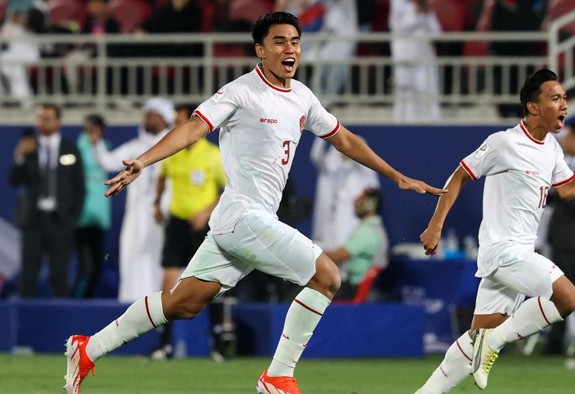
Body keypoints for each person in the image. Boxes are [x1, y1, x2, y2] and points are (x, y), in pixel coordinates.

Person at [64, 12, 444, 394]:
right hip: (242, 215)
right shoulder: (240, 92)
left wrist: (395, 175)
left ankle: (88, 348)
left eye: (295, 40)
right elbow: (194, 127)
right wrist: (144, 162)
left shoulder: (302, 96)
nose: (290, 48)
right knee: (327, 276)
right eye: (279, 41)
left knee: (183, 303)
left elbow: (344, 139)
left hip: (243, 222)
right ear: (260, 50)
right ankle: (278, 376)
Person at [415, 69, 575, 393]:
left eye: (565, 98)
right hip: (503, 250)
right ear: (533, 107)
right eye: (555, 98)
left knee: (475, 338)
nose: (564, 105)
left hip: (519, 253)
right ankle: (496, 341)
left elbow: (570, 188)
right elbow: (460, 175)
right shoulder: (504, 143)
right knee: (568, 297)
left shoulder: (552, 149)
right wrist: (436, 224)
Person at [149, 103, 226, 360]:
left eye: (181, 123)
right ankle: (164, 344)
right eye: (175, 123)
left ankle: (217, 343)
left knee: (210, 285)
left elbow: (228, 189)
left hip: (202, 226)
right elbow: (162, 177)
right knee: (168, 283)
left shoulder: (212, 154)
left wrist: (205, 213)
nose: (177, 128)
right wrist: (157, 202)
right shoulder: (173, 152)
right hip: (177, 224)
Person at [92, 97, 175, 302]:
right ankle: (131, 303)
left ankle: (160, 305)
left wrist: (164, 206)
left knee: (162, 260)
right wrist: (98, 142)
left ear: (164, 118)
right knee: (132, 256)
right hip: (136, 216)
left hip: (165, 214)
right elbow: (108, 161)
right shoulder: (136, 146)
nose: (146, 118)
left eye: (152, 114)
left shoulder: (174, 145)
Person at [9, 103, 85, 298]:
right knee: (29, 273)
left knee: (60, 274)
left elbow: (79, 187)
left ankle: (59, 320)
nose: (43, 123)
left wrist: (72, 219)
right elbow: (14, 180)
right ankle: (26, 321)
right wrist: (19, 156)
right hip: (33, 220)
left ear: (58, 121)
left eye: (48, 118)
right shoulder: (28, 148)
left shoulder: (70, 149)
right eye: (41, 118)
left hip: (60, 221)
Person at [542, 121, 575, 355]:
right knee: (555, 293)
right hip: (559, 240)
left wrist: (566, 191)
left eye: (567, 135)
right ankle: (555, 342)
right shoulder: (565, 165)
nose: (562, 140)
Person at [310, 136, 380, 250]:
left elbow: (374, 190)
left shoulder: (363, 173)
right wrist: (322, 134)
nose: (346, 152)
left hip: (354, 221)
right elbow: (316, 156)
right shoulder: (330, 169)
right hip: (330, 222)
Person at [73, 114, 111, 299]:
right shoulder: (77, 149)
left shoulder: (106, 148)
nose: (95, 132)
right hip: (81, 218)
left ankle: (85, 303)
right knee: (86, 268)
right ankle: (76, 303)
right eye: (91, 128)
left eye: (98, 128)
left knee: (96, 267)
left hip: (100, 218)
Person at [325, 188, 388, 299]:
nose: (355, 202)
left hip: (353, 289)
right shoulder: (371, 228)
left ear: (370, 203)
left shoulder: (368, 231)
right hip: (353, 286)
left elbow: (338, 256)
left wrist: (313, 254)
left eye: (360, 199)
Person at [389, 0, 442, 122]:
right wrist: (416, 14)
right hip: (405, 57)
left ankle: (432, 125)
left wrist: (426, 14)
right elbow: (396, 26)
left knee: (428, 92)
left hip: (425, 58)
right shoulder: (398, 2)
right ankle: (404, 125)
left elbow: (437, 32)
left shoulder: (425, 5)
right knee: (406, 95)